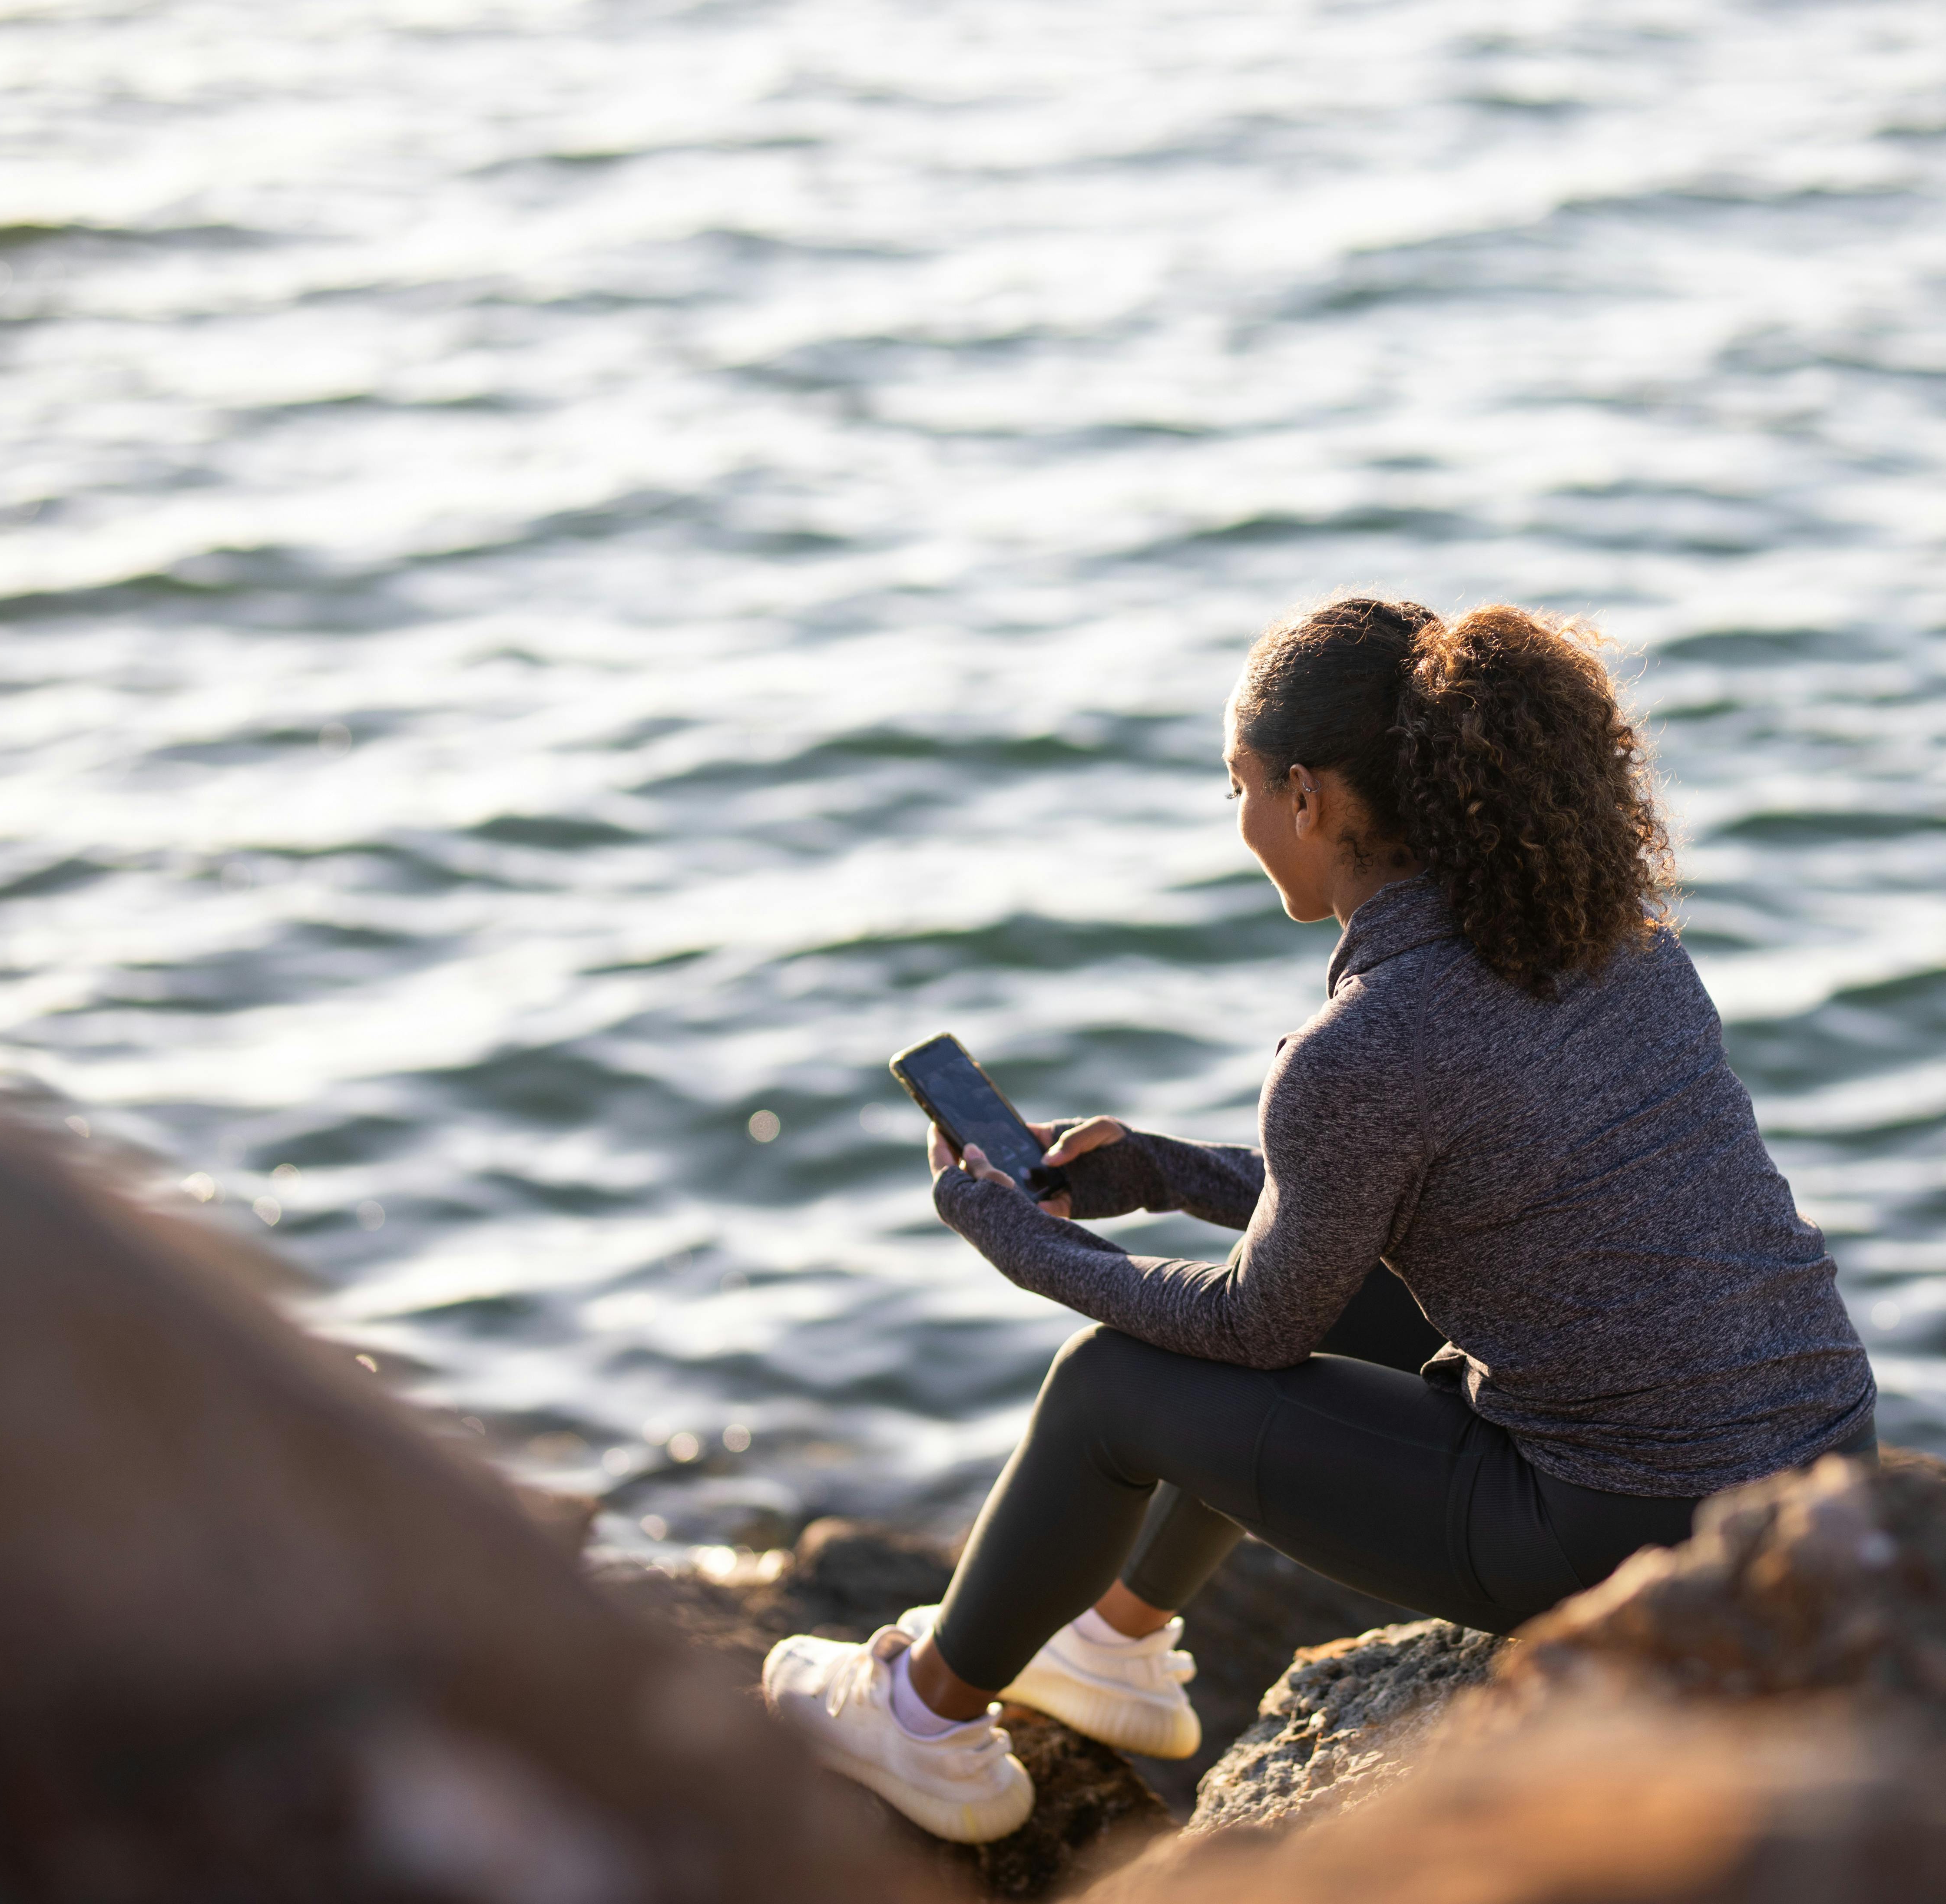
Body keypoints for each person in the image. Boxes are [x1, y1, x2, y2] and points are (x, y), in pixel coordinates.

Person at [765, 597, 1877, 1842]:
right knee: (1326, 1291)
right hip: (1821, 1471)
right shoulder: (1611, 941)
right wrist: (1171, 1172)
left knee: (1114, 1382)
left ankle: (922, 1723)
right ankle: (1110, 1646)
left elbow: (1256, 1322)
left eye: (1236, 787)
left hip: (1626, 1535)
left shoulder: (1363, 1046)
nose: (1237, 823)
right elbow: (1419, 1193)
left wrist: (1025, 1240)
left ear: (1310, 799)